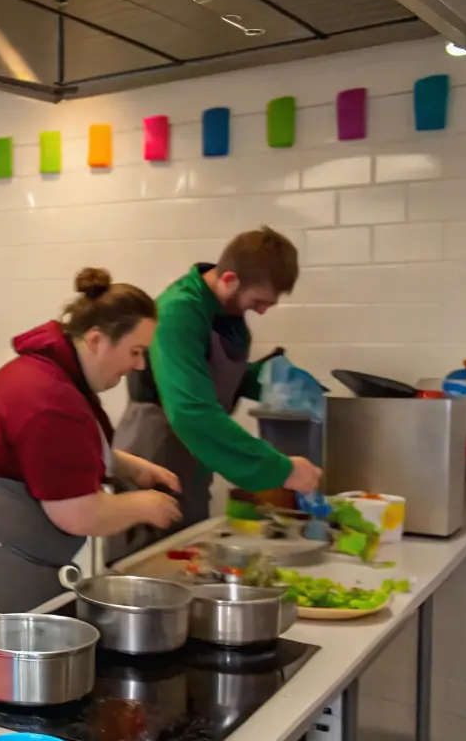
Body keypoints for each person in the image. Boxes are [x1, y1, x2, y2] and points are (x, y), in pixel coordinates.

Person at [0, 269, 182, 616]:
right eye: (135, 351)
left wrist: (129, 466)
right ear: (97, 340)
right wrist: (146, 505)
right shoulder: (49, 396)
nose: (139, 364)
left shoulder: (54, 378)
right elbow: (78, 513)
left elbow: (53, 452)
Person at [111, 227, 323, 558]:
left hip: (195, 457)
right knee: (147, 568)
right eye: (258, 301)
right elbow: (190, 409)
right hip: (155, 452)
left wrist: (268, 381)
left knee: (186, 558)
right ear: (228, 279)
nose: (263, 311)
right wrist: (281, 469)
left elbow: (213, 374)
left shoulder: (228, 314)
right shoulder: (179, 312)